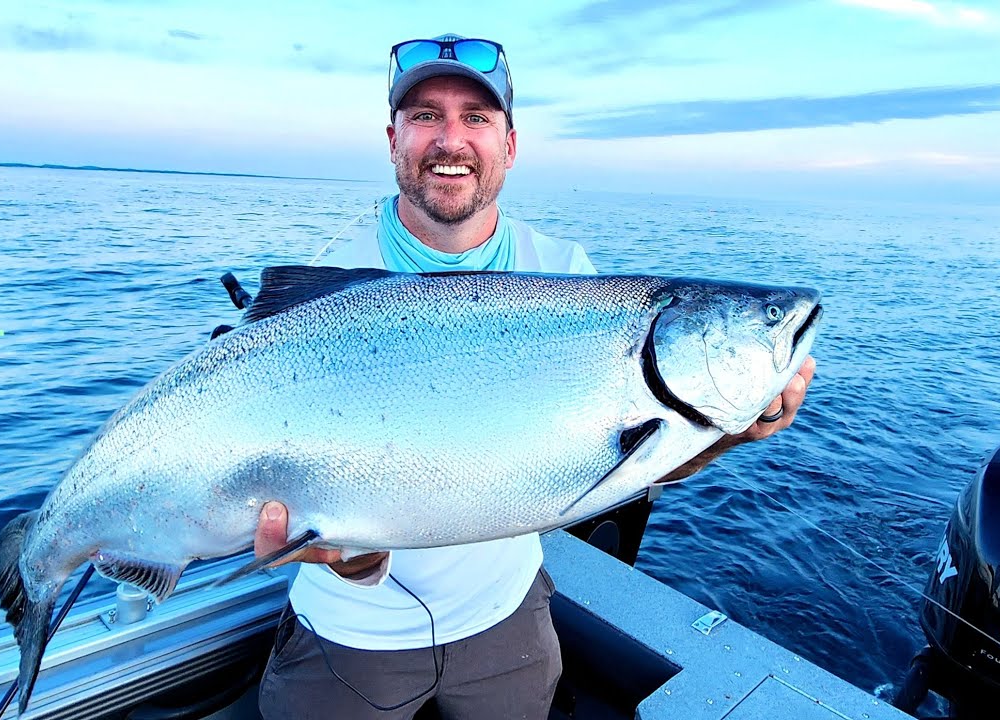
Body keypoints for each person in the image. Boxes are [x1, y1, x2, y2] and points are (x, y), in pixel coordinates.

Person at [254, 34, 816, 719]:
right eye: (426, 116)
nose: (451, 139)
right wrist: (347, 551)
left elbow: (636, 458)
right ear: (393, 138)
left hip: (507, 620)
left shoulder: (569, 277)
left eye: (477, 117)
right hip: (350, 632)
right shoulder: (323, 291)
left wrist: (730, 431)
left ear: (510, 145)